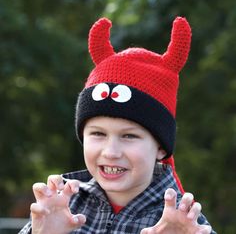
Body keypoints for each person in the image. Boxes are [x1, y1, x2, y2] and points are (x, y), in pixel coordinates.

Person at [20, 17, 216, 234]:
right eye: (97, 133)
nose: (111, 152)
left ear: (161, 146)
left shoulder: (183, 222)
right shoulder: (62, 205)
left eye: (129, 136)